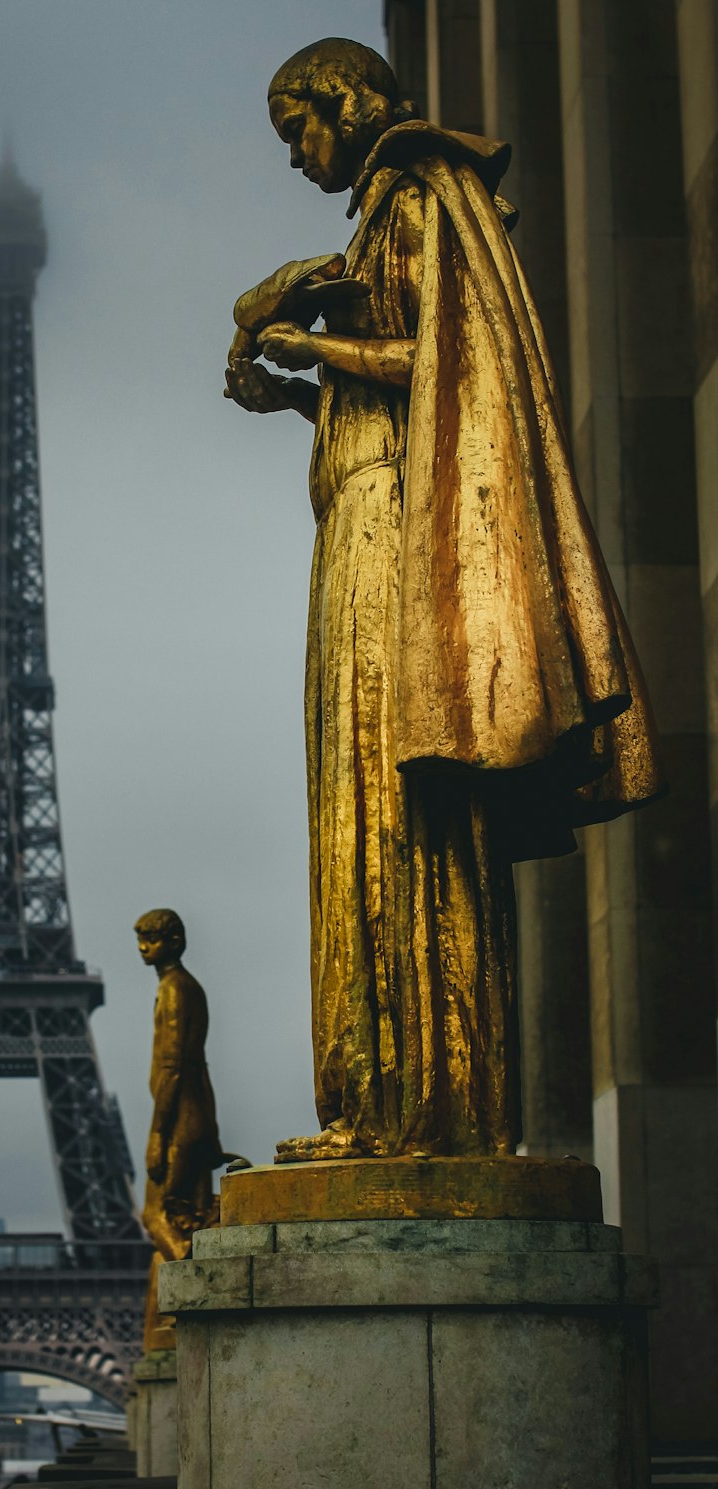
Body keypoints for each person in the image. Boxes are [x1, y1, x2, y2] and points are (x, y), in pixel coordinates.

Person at [225, 37, 662, 1163]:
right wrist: (291, 389)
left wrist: (301, 338)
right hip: (361, 525)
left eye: (297, 130)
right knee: (365, 811)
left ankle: (422, 1111)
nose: (295, 157)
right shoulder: (382, 215)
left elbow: (447, 362)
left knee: (395, 805)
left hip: (389, 536)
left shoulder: (424, 191)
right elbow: (403, 383)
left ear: (345, 102)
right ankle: (376, 1101)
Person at [134, 908, 226, 1346]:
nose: (141, 948)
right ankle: (197, 1296)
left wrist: (157, 1134)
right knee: (187, 1215)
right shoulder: (189, 987)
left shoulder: (174, 989)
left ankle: (195, 1281)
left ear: (173, 941)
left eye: (150, 939)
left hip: (177, 1118)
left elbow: (171, 1066)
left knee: (155, 1214)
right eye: (140, 939)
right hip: (196, 1114)